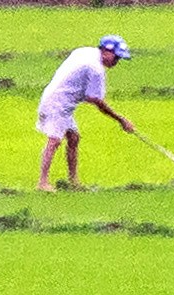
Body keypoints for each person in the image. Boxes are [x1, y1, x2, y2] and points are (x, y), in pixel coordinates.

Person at [37, 34, 134, 191]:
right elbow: (95, 99)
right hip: (57, 103)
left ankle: (73, 181)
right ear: (106, 51)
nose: (116, 62)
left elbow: (89, 95)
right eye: (116, 57)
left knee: (73, 138)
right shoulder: (95, 68)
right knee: (54, 140)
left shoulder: (86, 52)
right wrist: (121, 120)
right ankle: (43, 182)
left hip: (59, 99)